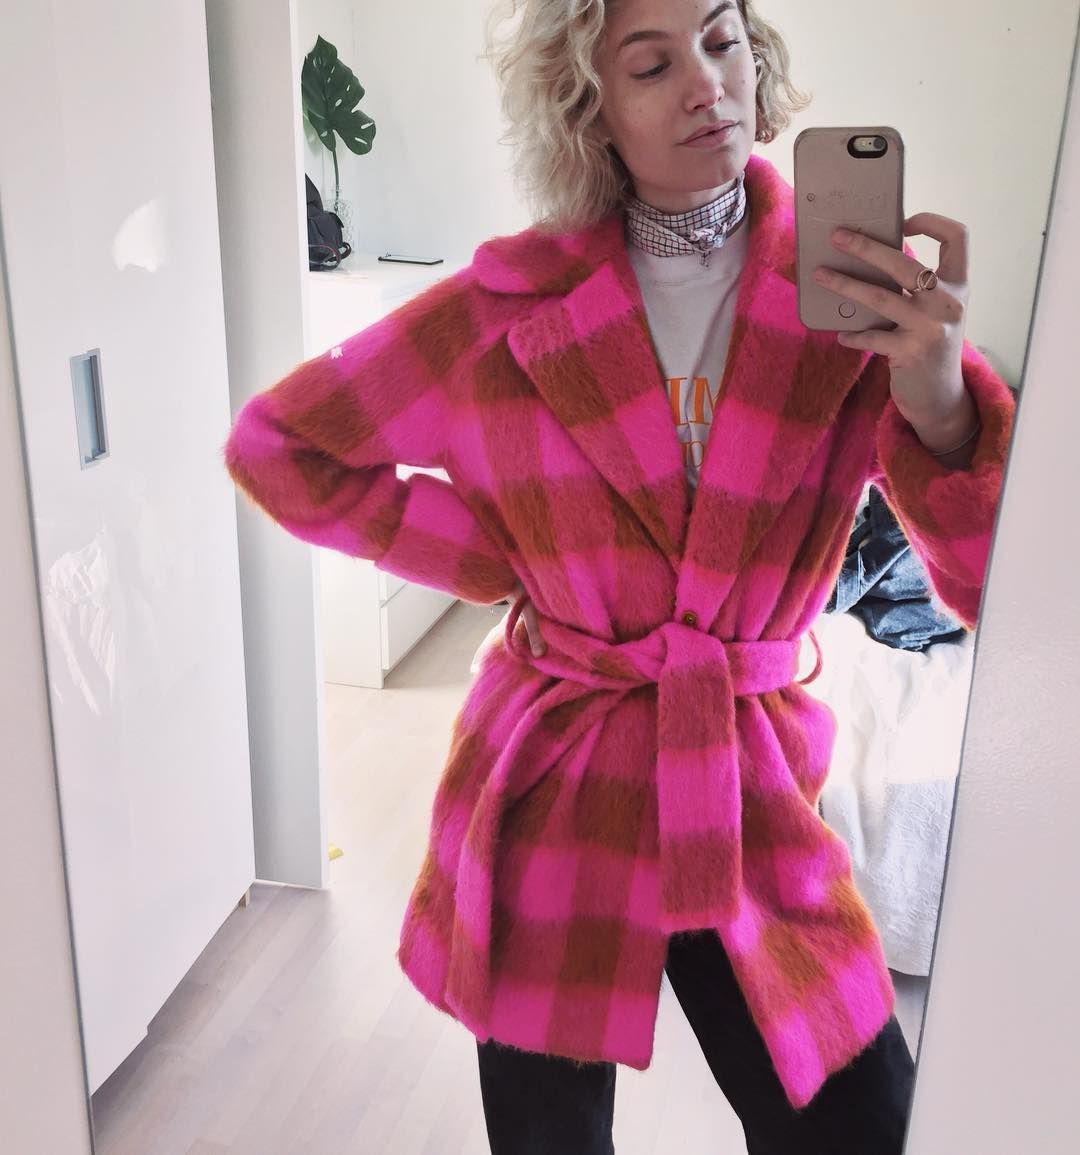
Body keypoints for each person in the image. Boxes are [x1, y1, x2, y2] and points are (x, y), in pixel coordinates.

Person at [224, 1, 1016, 1150]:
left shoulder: (847, 295)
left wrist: (942, 405)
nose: (707, 83)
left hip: (746, 780)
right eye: (651, 65)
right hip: (560, 779)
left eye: (723, 40)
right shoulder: (504, 311)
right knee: (548, 1137)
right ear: (590, 112)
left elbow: (1001, 588)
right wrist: (498, 555)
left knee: (862, 1120)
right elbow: (282, 447)